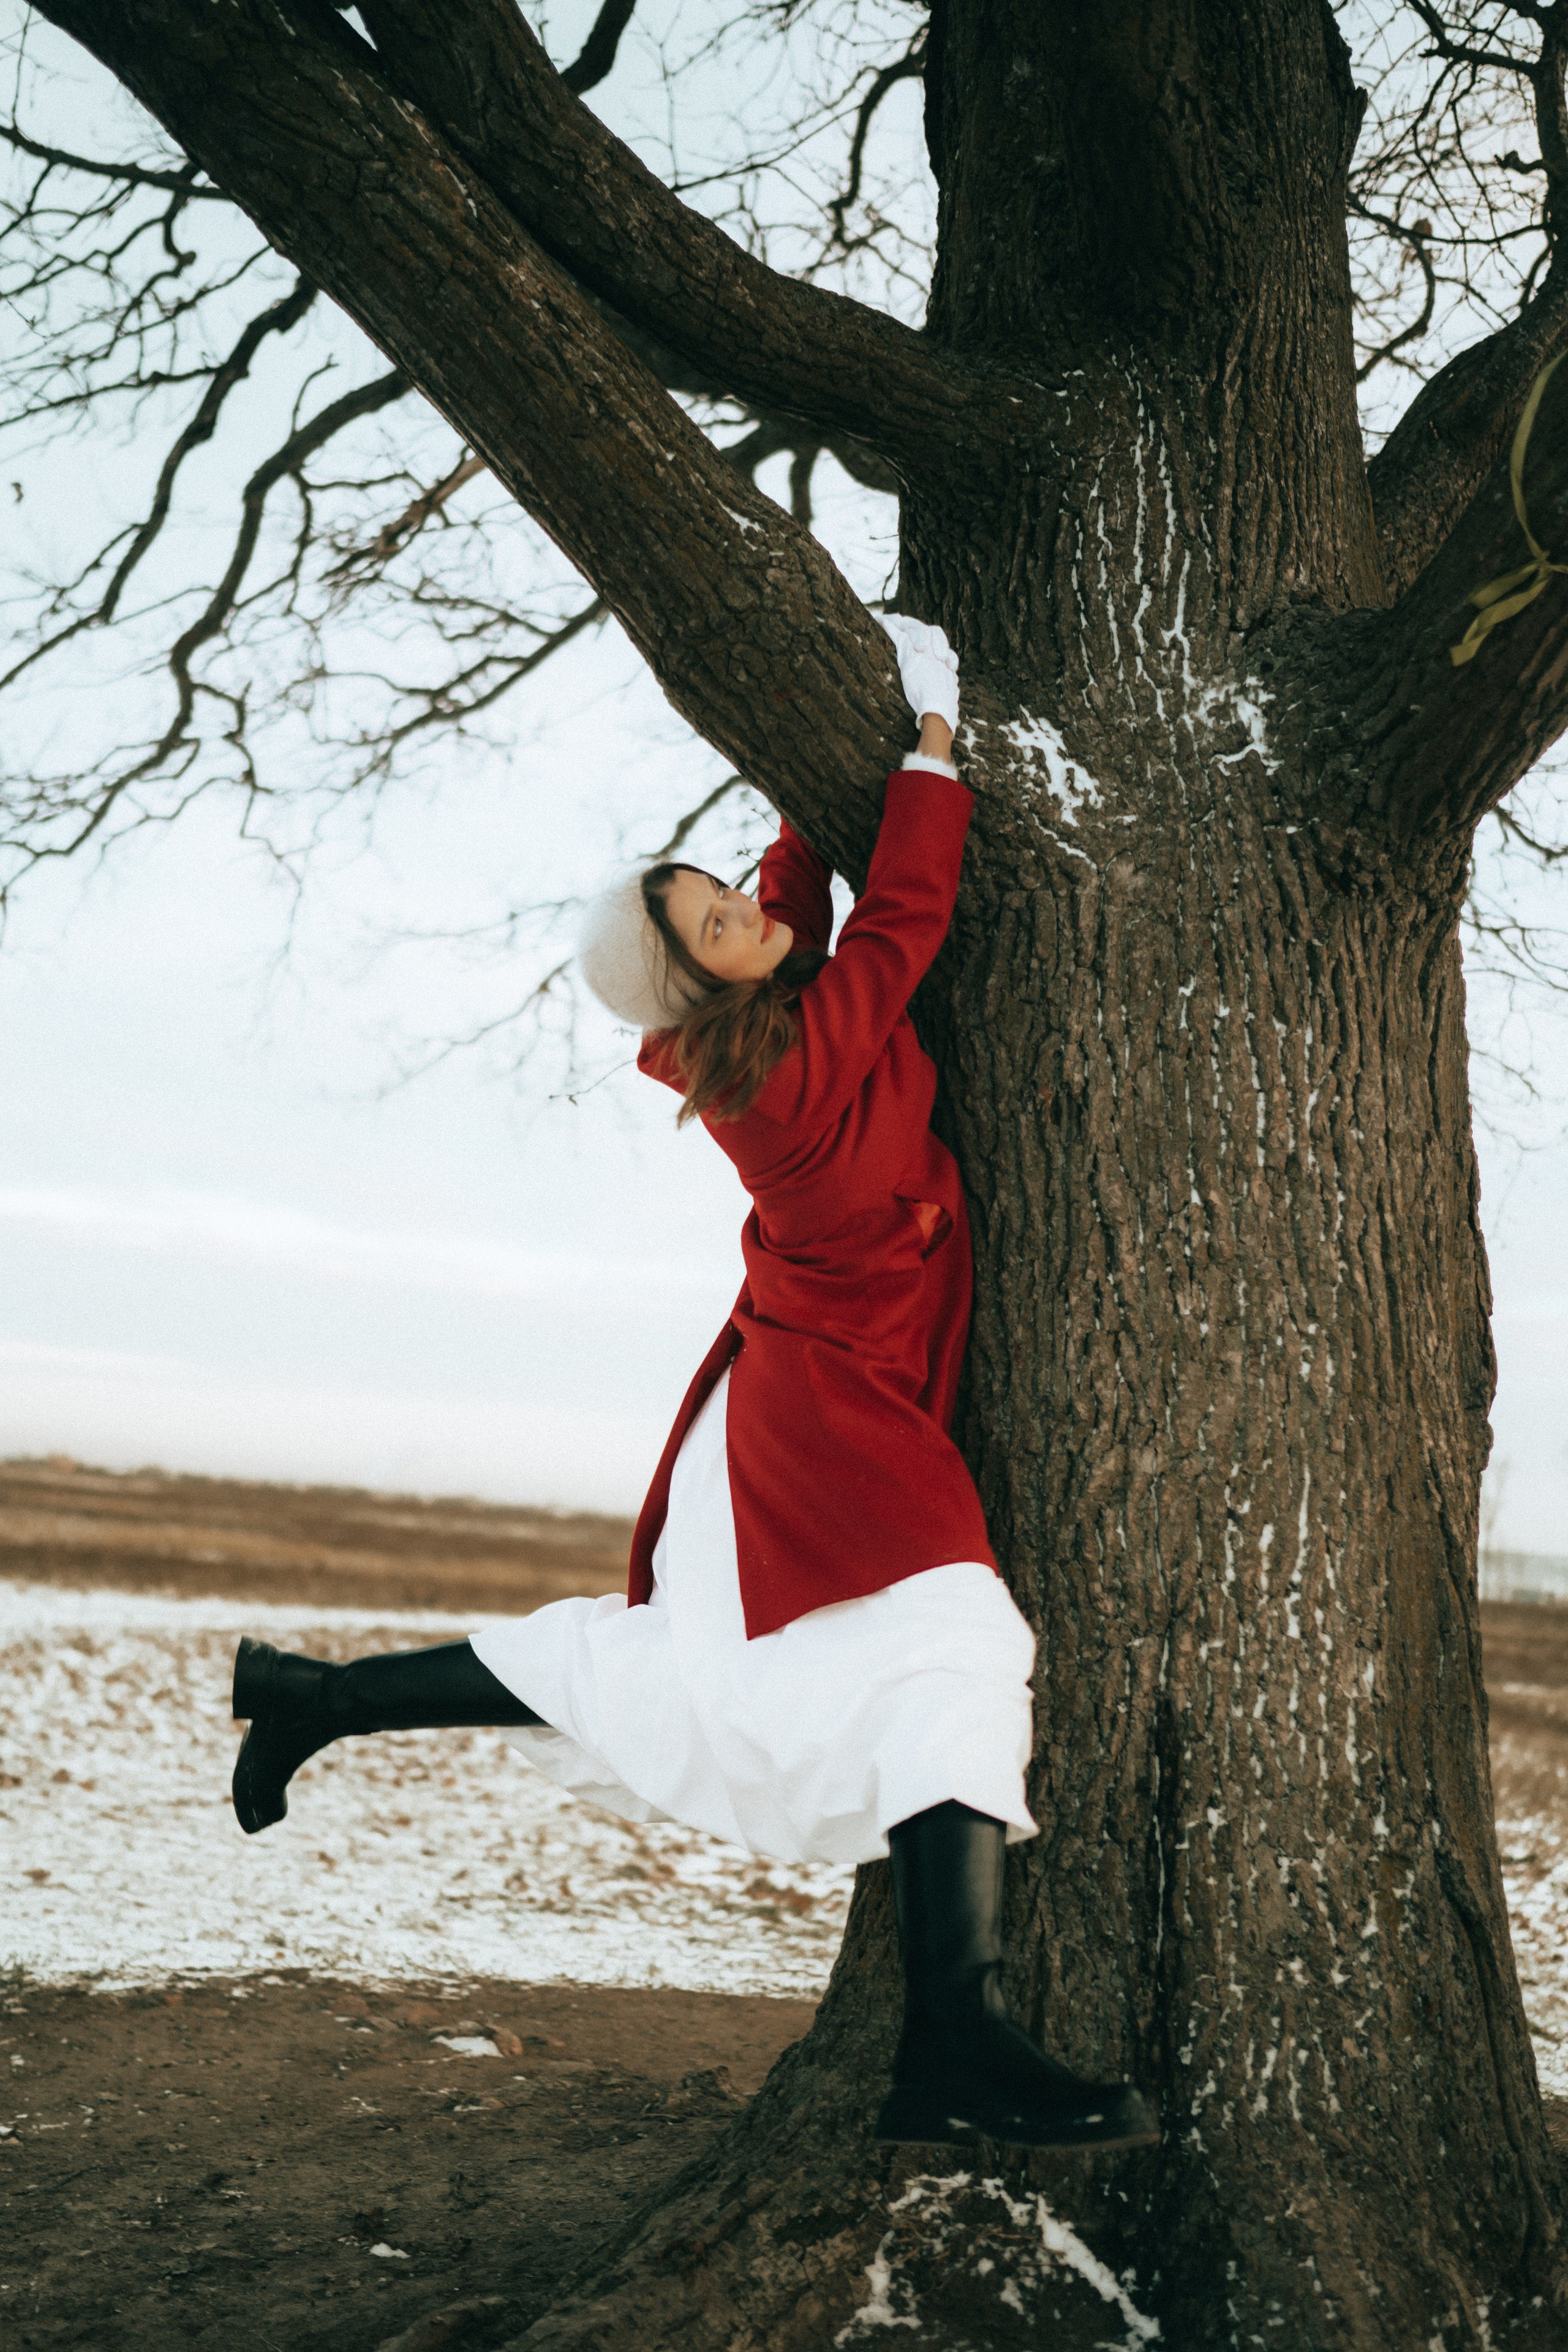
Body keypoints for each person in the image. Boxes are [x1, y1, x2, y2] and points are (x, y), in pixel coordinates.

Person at [228, 617, 1158, 2154]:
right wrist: (923, 746)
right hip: (820, 1417)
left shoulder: (748, 1010)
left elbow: (792, 903)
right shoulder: (786, 1072)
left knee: (677, 1666)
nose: (741, 912)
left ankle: (318, 1697)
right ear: (694, 988)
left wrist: (796, 813)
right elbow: (901, 920)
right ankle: (953, 2041)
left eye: (721, 893)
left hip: (805, 1391)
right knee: (951, 1641)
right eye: (712, 923)